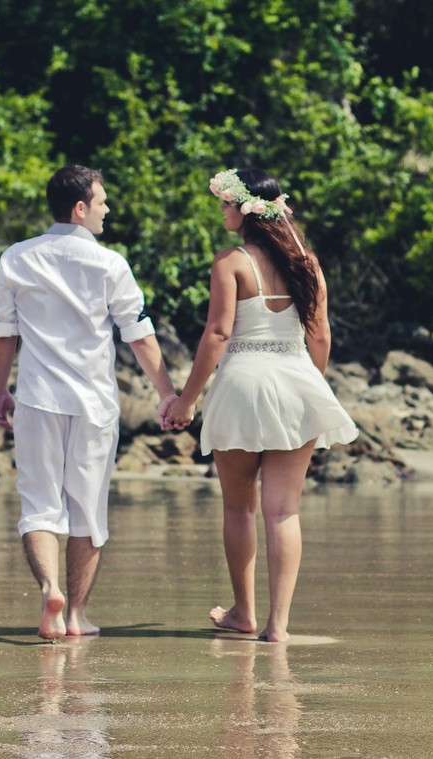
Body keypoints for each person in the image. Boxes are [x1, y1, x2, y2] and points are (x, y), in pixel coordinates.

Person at [163, 168, 357, 642]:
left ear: (246, 209)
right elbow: (320, 335)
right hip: (297, 381)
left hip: (241, 386)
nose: (222, 211)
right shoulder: (307, 262)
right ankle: (278, 626)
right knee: (283, 511)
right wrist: (311, 388)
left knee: (239, 509)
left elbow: (218, 334)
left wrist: (186, 400)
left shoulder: (230, 262)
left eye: (226, 203)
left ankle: (244, 613)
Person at [0, 164, 178, 641]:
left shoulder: (16, 257)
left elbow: (4, 332)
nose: (107, 209)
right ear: (80, 208)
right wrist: (166, 392)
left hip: (38, 399)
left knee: (39, 505)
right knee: (87, 512)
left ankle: (50, 590)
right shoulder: (110, 264)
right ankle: (76, 616)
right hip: (94, 403)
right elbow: (138, 333)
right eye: (101, 201)